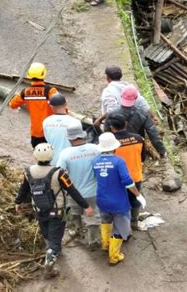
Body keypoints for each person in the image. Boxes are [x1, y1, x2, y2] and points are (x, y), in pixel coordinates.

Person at [15, 143, 94, 279]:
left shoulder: (28, 172)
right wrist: (86, 206)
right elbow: (72, 190)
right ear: (51, 156)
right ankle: (50, 261)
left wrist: (18, 202)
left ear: (35, 156)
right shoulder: (59, 173)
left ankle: (52, 248)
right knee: (56, 236)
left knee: (46, 232)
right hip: (57, 211)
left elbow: (23, 189)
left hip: (39, 210)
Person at [93, 132, 146, 266]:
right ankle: (114, 256)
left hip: (101, 199)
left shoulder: (95, 161)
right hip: (118, 201)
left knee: (105, 221)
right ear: (114, 147)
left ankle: (105, 245)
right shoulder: (118, 161)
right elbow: (127, 181)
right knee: (121, 228)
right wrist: (138, 194)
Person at [57, 122, 101, 250]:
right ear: (82, 135)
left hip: (74, 191)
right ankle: (94, 240)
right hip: (93, 191)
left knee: (74, 212)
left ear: (70, 138)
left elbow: (59, 172)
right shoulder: (95, 149)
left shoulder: (65, 153)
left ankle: (77, 231)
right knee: (92, 215)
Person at [105, 85, 167, 158]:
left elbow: (106, 132)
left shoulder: (111, 114)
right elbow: (153, 133)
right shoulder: (143, 114)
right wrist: (162, 151)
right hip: (136, 148)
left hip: (117, 148)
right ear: (136, 98)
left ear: (121, 96)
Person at [109, 113, 146, 230]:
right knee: (135, 200)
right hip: (135, 176)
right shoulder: (138, 139)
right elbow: (143, 157)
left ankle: (121, 225)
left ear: (111, 127)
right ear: (126, 124)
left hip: (117, 179)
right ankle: (134, 222)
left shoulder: (111, 143)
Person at [9, 62, 58, 148]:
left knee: (40, 157)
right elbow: (62, 107)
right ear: (43, 74)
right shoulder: (50, 91)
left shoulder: (26, 92)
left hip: (36, 134)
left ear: (29, 75)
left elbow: (12, 104)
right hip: (51, 132)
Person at [43, 93, 80, 166]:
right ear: (66, 104)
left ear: (51, 107)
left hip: (53, 161)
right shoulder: (75, 122)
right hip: (71, 161)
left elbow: (48, 139)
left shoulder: (46, 122)